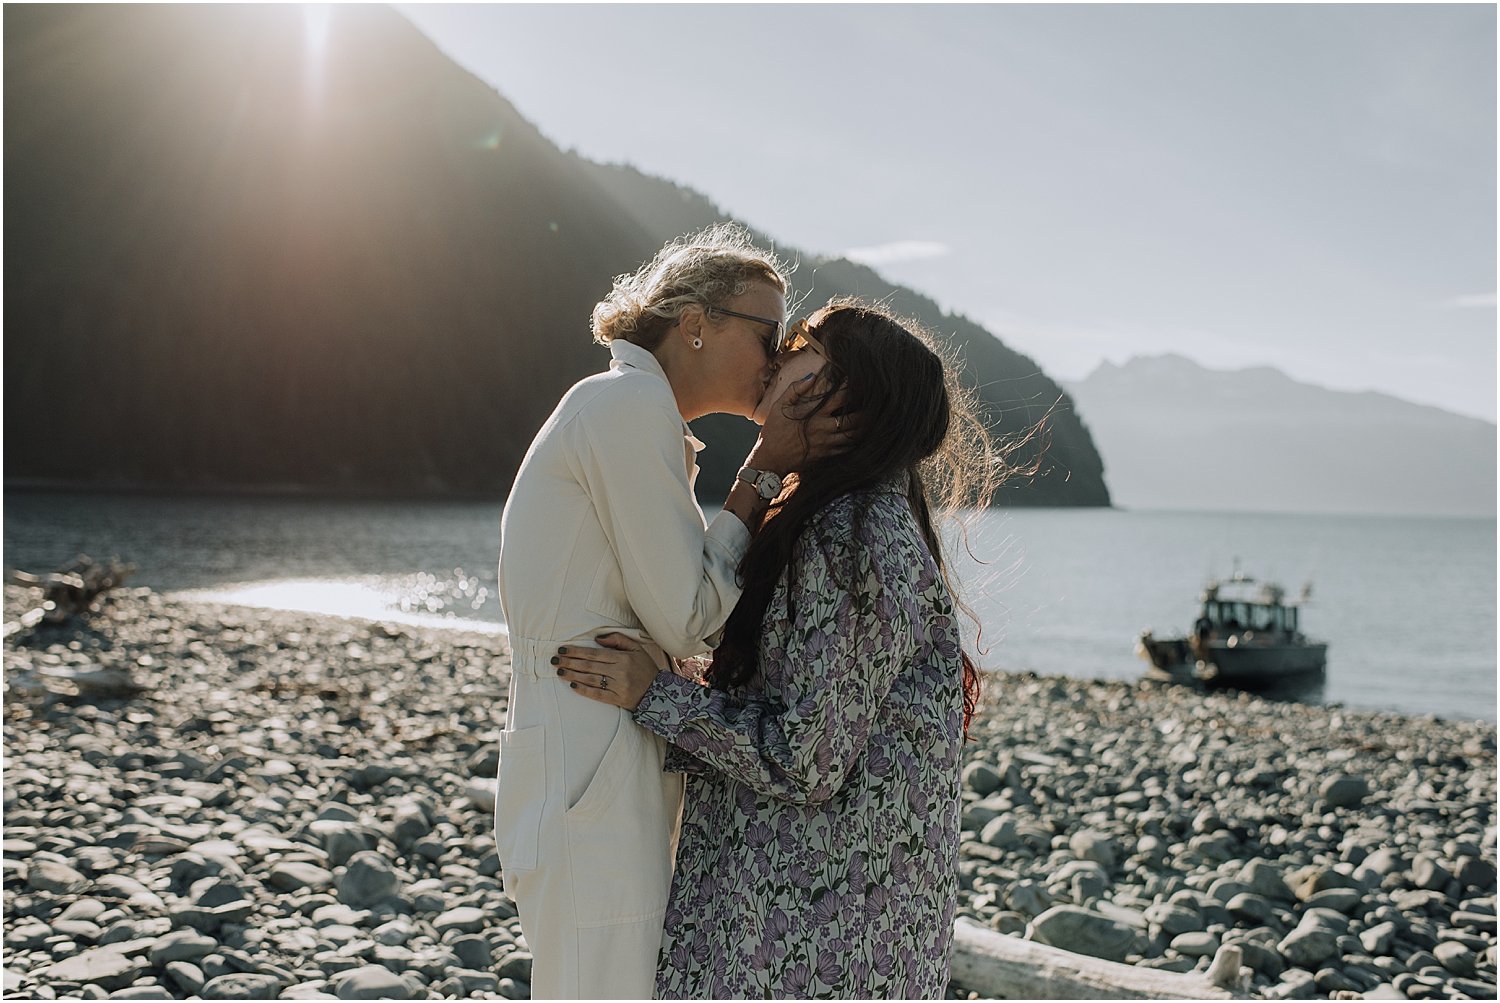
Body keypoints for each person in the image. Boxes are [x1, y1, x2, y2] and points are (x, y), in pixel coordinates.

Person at [555, 299, 999, 998]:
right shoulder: (848, 518)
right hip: (819, 921)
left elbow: (807, 757)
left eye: (801, 347)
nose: (776, 359)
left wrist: (655, 693)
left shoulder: (854, 535)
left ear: (847, 394)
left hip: (810, 935)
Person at [493, 224, 846, 999]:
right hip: (588, 767)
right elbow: (690, 614)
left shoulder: (627, 411)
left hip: (588, 757)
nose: (780, 357)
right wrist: (763, 471)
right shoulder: (624, 409)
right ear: (697, 324)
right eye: (768, 334)